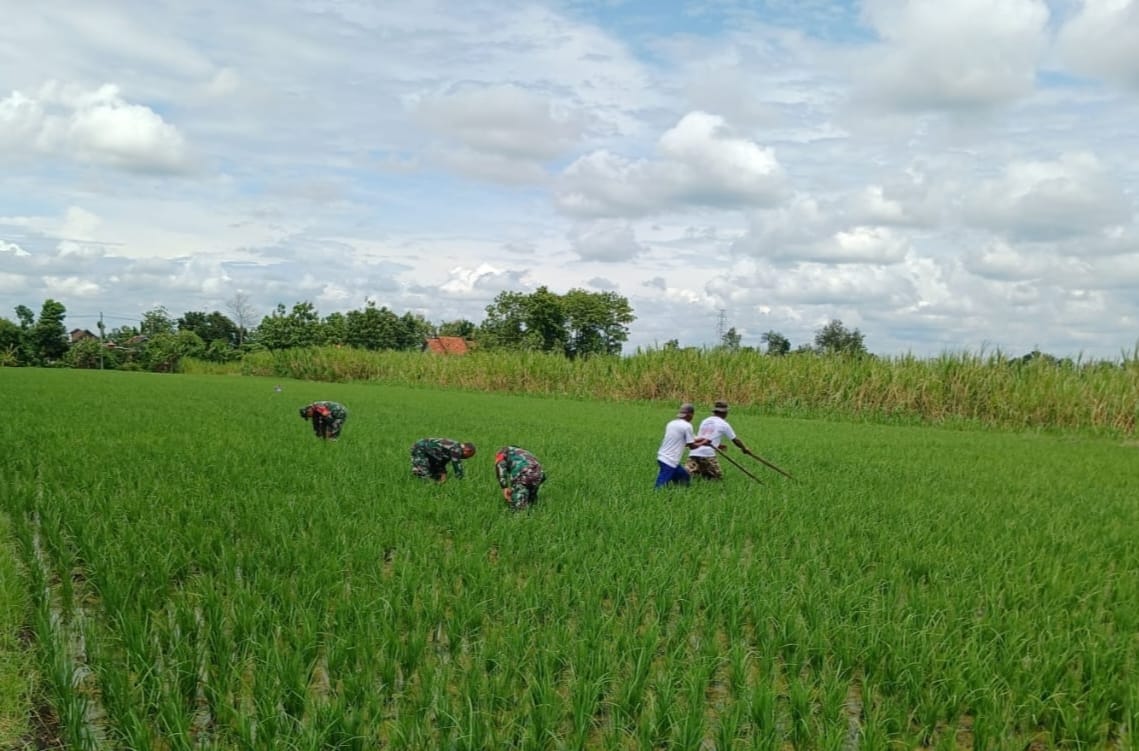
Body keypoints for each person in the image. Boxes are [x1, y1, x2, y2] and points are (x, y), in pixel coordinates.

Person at [686, 400, 753, 480]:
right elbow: (735, 440)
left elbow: (704, 437)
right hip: (707, 455)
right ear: (724, 413)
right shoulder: (723, 424)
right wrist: (744, 449)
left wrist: (717, 445)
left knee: (690, 478)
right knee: (717, 479)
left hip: (694, 452)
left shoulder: (705, 421)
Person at [655, 402, 709, 488]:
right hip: (670, 460)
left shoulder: (671, 423)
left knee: (684, 477)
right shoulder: (687, 426)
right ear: (690, 415)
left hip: (662, 456)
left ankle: (682, 493)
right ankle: (656, 496)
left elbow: (691, 439)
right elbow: (692, 446)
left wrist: (703, 439)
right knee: (661, 484)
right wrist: (704, 443)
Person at [494, 446, 546, 511]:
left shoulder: (501, 453)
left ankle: (519, 517)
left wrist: (504, 487)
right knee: (531, 501)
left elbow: (500, 467)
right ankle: (535, 512)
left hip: (524, 475)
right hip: (539, 474)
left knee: (518, 508)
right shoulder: (523, 451)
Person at [410, 438, 477, 483]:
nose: (466, 458)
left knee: (435, 475)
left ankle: (419, 472)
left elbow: (441, 462)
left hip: (430, 453)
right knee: (426, 475)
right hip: (420, 449)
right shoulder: (456, 449)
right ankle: (418, 471)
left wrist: (443, 475)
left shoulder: (451, 450)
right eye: (469, 456)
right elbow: (457, 465)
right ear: (467, 450)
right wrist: (461, 481)